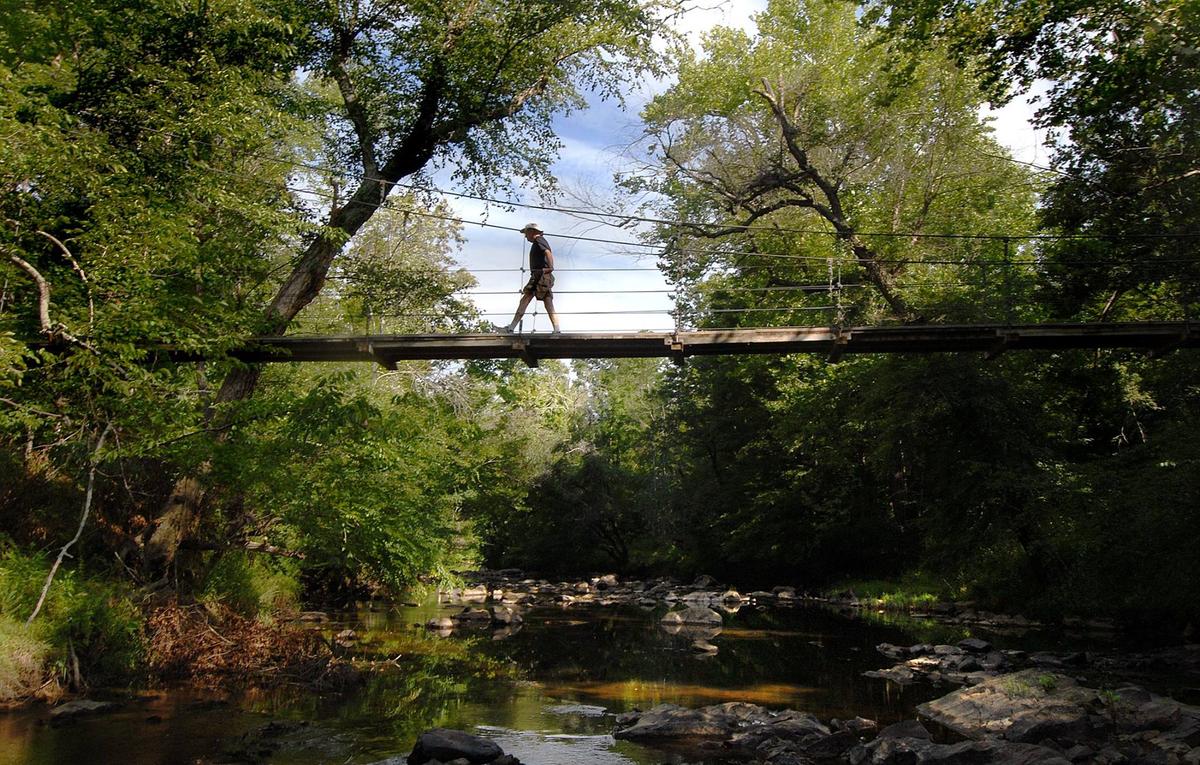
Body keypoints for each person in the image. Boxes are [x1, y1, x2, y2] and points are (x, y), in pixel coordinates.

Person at [501, 223, 561, 333]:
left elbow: (548, 252)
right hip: (541, 276)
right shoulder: (537, 242)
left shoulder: (539, 240)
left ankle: (511, 328)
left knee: (528, 299)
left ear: (532, 231)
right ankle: (556, 329)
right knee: (545, 301)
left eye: (526, 233)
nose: (525, 236)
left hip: (540, 275)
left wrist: (550, 267)